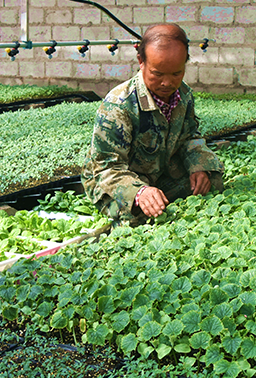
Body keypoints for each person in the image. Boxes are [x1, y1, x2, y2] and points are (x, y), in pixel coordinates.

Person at [82, 23, 224, 226]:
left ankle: (162, 200)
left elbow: (190, 136)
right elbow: (106, 168)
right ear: (141, 62)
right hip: (116, 180)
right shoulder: (118, 105)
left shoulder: (183, 95)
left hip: (159, 171)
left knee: (212, 180)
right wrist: (139, 192)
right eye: (157, 74)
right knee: (136, 215)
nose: (167, 83)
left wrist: (199, 167)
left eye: (176, 73)